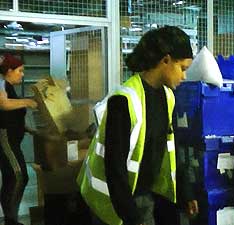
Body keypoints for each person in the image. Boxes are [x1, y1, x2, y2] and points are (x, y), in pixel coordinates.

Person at [77, 25, 198, 225]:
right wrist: (131, 217)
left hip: (143, 195)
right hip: (109, 200)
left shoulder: (168, 97)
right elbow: (114, 167)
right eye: (182, 68)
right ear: (165, 60)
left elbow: (171, 148)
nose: (184, 76)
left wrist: (185, 192)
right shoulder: (123, 101)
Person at [0, 53, 38, 225]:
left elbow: (11, 114)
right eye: (20, 71)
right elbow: (3, 104)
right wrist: (27, 102)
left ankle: (11, 218)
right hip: (5, 139)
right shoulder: (1, 83)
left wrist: (29, 129)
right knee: (18, 175)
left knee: (15, 177)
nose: (22, 75)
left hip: (13, 141)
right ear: (9, 70)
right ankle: (10, 220)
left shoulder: (9, 86)